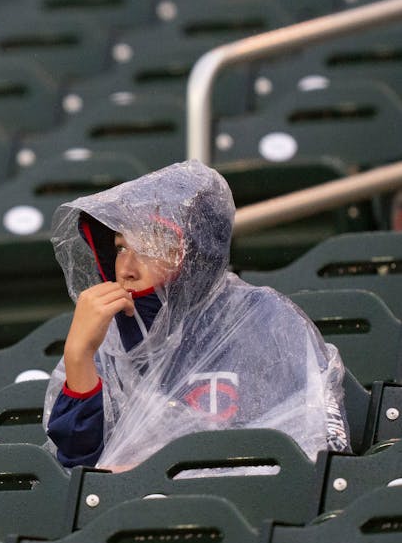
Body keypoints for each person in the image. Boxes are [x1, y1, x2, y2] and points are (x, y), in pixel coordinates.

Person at [44, 160, 348, 469]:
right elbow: (79, 474)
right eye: (121, 248)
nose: (126, 269)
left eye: (149, 248)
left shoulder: (264, 320)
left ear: (193, 256)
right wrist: (79, 355)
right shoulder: (106, 338)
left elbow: (314, 453)